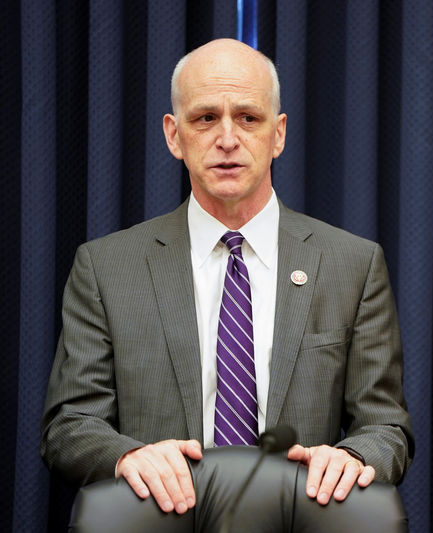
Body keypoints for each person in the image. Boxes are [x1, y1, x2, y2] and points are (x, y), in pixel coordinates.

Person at [40, 38, 413, 516]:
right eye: (205, 118)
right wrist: (127, 456)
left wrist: (352, 457)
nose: (228, 139)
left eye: (248, 118)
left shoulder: (352, 265)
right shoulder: (107, 268)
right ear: (174, 135)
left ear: (278, 134)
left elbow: (387, 428)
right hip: (162, 519)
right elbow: (69, 424)